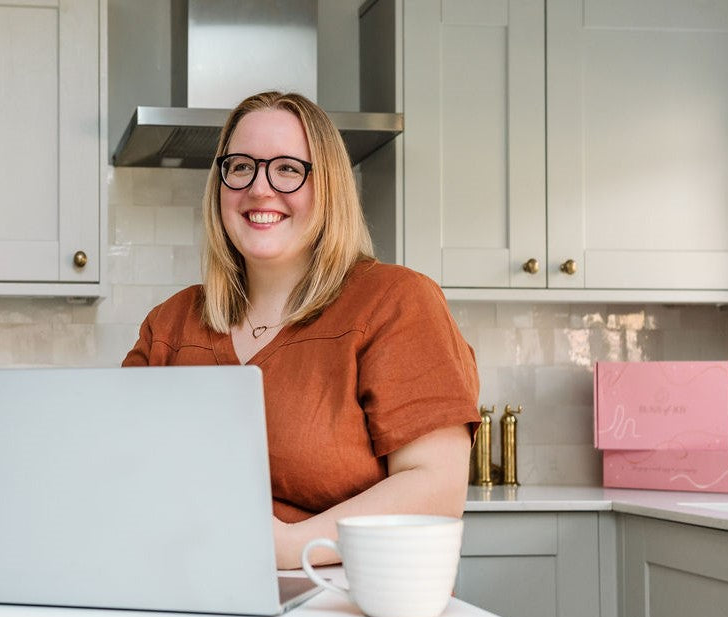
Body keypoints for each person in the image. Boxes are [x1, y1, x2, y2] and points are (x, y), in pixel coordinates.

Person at [123, 91, 480, 569]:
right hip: (187, 595)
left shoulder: (396, 301)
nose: (259, 189)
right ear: (220, 184)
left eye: (288, 168)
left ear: (328, 186)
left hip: (346, 610)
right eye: (241, 166)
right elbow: (117, 469)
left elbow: (436, 487)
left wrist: (289, 548)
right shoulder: (169, 323)